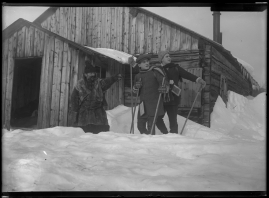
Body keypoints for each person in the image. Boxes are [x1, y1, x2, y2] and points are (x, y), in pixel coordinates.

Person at [155, 50, 206, 134]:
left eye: (169, 56)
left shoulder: (175, 68)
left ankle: (174, 137)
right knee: (157, 118)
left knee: (173, 120)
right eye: (166, 56)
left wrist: (198, 79)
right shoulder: (157, 70)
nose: (169, 57)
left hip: (173, 97)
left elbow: (187, 74)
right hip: (161, 98)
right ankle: (165, 134)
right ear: (161, 59)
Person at [69, 60, 122, 133]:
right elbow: (74, 98)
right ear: (85, 74)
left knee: (101, 135)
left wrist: (114, 78)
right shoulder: (80, 84)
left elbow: (106, 82)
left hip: (98, 113)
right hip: (84, 114)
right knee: (83, 135)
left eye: (93, 73)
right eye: (90, 73)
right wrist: (75, 111)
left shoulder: (99, 83)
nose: (92, 75)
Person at [133, 54, 169, 135]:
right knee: (140, 126)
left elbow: (164, 83)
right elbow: (135, 94)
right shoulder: (138, 76)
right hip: (143, 105)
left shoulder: (155, 72)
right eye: (144, 62)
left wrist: (163, 87)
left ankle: (151, 144)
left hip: (154, 104)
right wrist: (136, 87)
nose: (147, 63)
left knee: (151, 128)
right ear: (139, 65)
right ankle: (146, 141)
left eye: (147, 61)